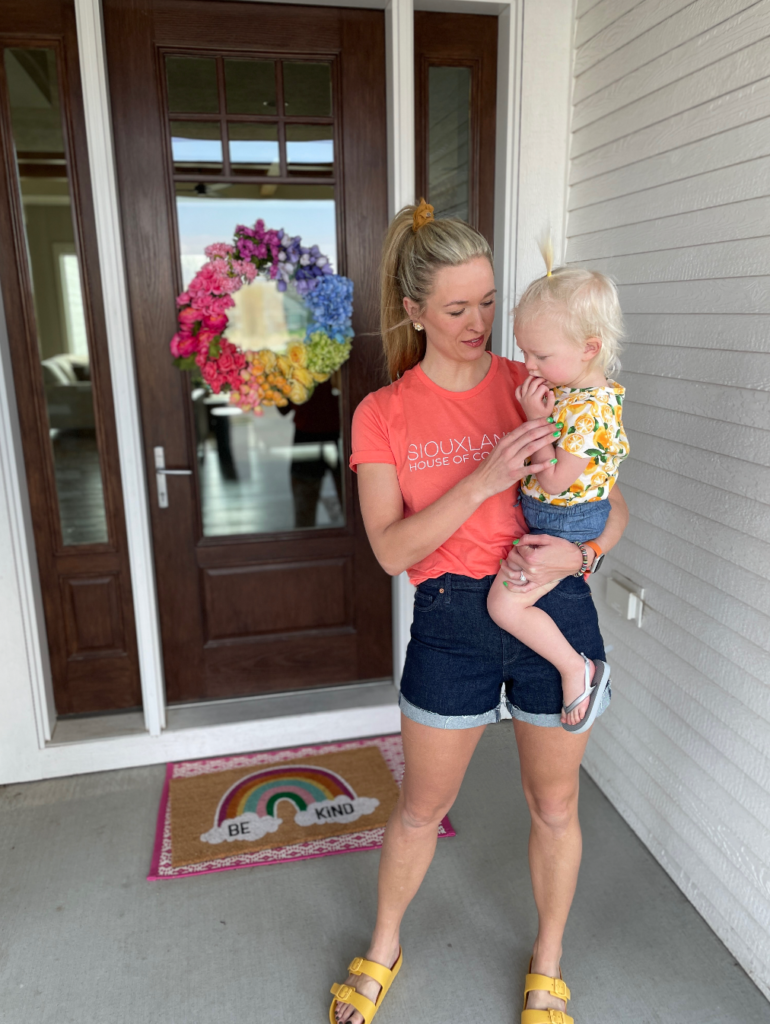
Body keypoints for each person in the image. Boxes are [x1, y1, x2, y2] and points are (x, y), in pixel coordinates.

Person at [328, 200, 629, 1024]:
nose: (481, 322)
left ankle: (548, 962)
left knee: (555, 806)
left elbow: (611, 503)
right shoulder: (383, 414)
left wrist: (584, 554)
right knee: (422, 809)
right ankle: (384, 945)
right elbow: (391, 551)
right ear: (413, 309)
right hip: (453, 620)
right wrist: (483, 480)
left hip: (552, 604)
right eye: (458, 308)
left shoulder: (533, 383)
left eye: (489, 301)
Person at [486, 255, 629, 731]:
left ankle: (578, 669)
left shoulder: (588, 410)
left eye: (540, 356)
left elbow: (552, 480)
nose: (528, 365)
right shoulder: (576, 393)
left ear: (590, 347)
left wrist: (533, 420)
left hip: (562, 522)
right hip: (557, 519)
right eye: (525, 351)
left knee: (504, 605)